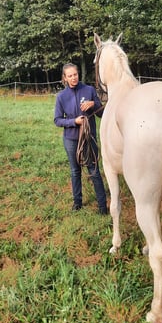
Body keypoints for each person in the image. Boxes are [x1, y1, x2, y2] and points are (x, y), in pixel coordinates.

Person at [53, 62, 108, 214]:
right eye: (69, 76)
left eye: (75, 74)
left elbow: (101, 113)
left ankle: (103, 206)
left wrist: (94, 103)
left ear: (78, 74)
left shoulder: (89, 90)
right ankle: (77, 203)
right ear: (65, 78)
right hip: (71, 140)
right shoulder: (61, 97)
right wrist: (73, 122)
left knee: (94, 170)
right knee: (75, 171)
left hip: (89, 138)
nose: (73, 78)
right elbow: (57, 120)